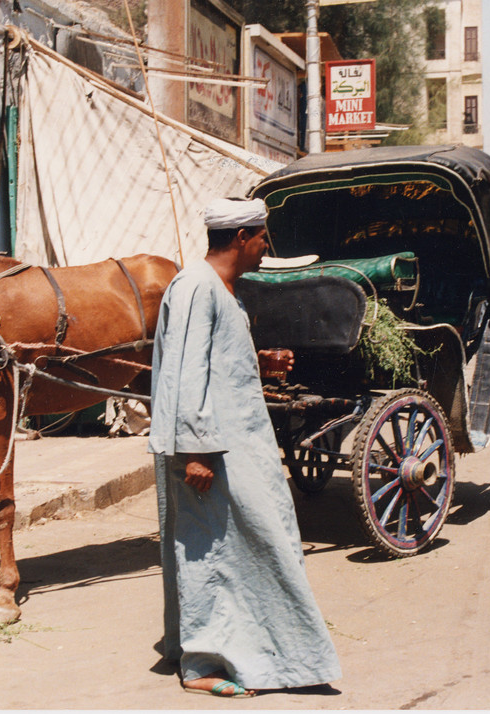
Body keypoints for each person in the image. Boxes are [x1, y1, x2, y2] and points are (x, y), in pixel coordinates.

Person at [148, 197, 341, 697]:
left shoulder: (221, 291)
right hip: (209, 451)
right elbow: (187, 372)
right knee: (208, 552)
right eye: (261, 239)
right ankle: (203, 664)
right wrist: (195, 450)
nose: (264, 249)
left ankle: (257, 647)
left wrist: (259, 359)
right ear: (240, 238)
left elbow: (213, 357)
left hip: (233, 447)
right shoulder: (196, 286)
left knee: (246, 545)